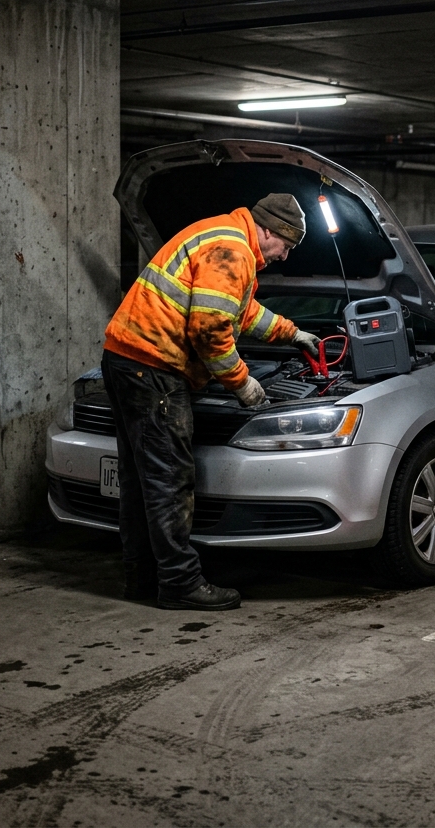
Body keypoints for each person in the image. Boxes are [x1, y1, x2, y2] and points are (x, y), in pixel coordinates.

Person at [101, 194, 321, 611]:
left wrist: (292, 334)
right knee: (169, 482)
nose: (286, 257)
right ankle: (181, 584)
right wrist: (243, 384)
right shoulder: (233, 250)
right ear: (270, 231)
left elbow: (241, 311)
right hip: (154, 368)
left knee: (140, 481)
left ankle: (142, 576)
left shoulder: (223, 234)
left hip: (126, 359)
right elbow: (210, 329)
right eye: (287, 246)